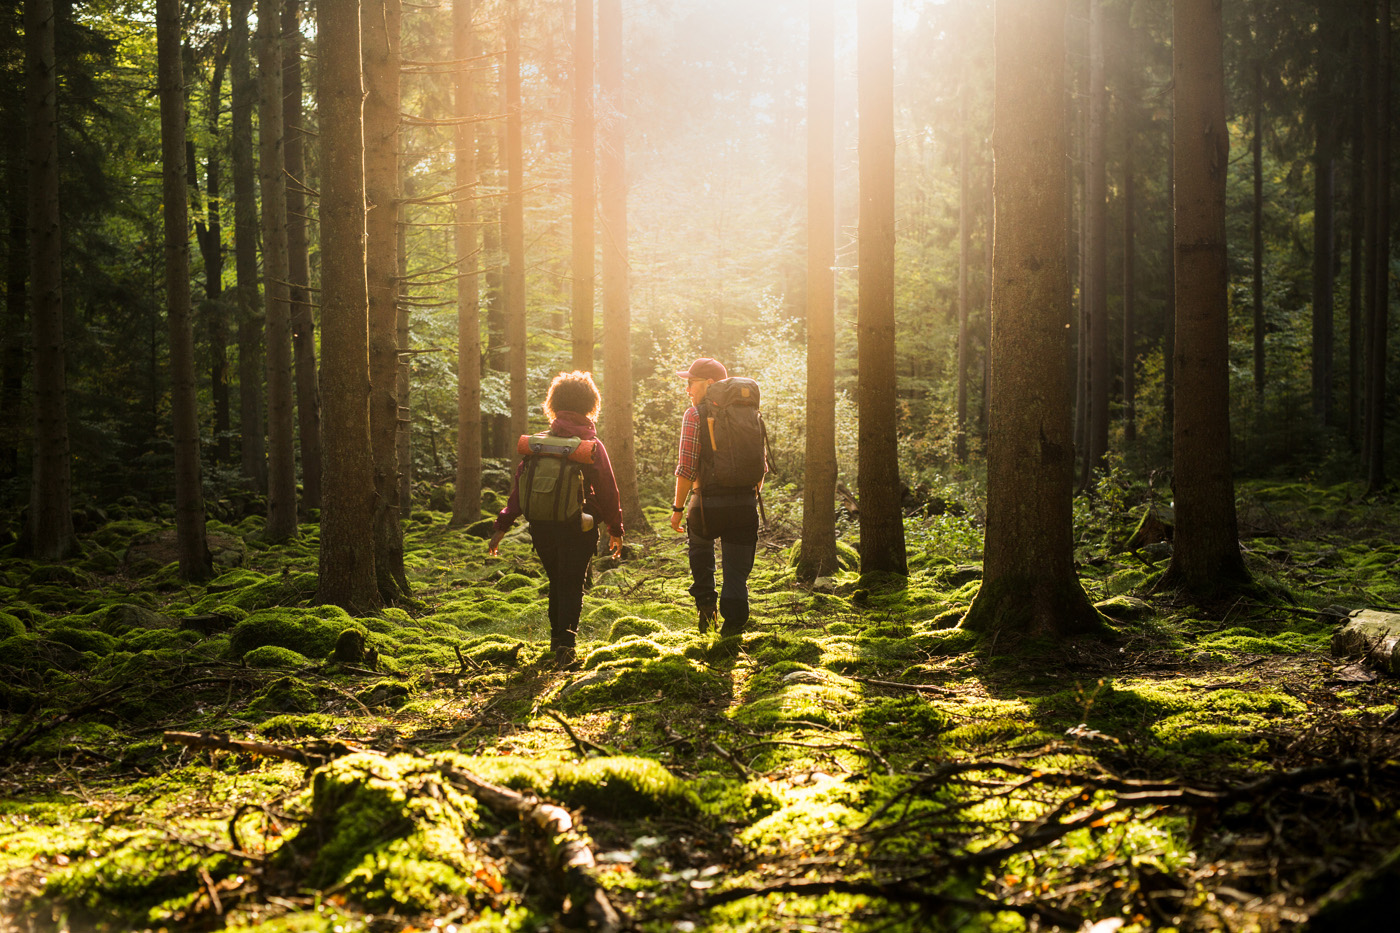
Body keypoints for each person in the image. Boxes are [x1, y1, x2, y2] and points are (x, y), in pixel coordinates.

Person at [489, 371, 623, 670]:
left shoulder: (539, 444)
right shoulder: (590, 445)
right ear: (590, 404)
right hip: (579, 525)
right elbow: (608, 489)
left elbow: (519, 489)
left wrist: (502, 526)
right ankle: (566, 646)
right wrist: (615, 529)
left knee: (557, 581)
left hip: (541, 525)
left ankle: (555, 643)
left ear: (554, 403)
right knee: (572, 583)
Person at [670, 357, 762, 637]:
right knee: (736, 570)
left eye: (691, 382)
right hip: (745, 504)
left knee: (701, 551)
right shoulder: (752, 414)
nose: (688, 389)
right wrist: (747, 496)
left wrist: (678, 508)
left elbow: (686, 467)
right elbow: (762, 467)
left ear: (710, 384)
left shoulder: (694, 414)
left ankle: (707, 609)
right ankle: (733, 630)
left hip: (707, 504)